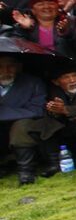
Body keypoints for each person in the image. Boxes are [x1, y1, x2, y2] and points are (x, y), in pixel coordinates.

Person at [9, 63, 76, 175]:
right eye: (66, 77)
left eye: (75, 75)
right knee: (45, 124)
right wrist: (54, 111)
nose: (72, 80)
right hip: (65, 129)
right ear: (56, 82)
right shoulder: (52, 91)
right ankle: (54, 163)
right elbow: (46, 111)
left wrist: (66, 110)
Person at [8, 0, 76, 69]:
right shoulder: (23, 26)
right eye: (40, 4)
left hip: (66, 69)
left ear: (57, 7)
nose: (46, 7)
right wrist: (24, 29)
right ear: (33, 10)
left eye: (51, 3)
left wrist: (68, 33)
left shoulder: (71, 21)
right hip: (36, 69)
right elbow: (14, 49)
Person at [1, 54, 48, 184]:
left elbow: (37, 110)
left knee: (21, 127)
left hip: (26, 124)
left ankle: (26, 171)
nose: (6, 71)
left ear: (18, 67)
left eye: (10, 66)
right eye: (1, 67)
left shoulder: (33, 83)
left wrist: (4, 112)